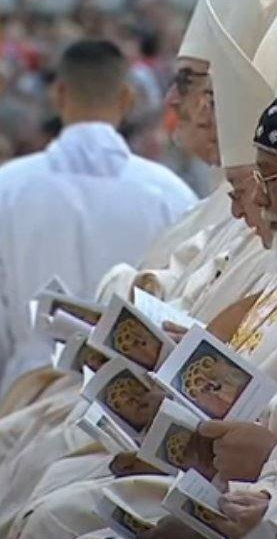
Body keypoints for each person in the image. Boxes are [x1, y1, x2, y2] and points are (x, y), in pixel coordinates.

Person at [0, 39, 196, 397]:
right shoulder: (170, 194)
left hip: (27, 395)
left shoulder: (8, 188)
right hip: (130, 402)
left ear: (58, 94)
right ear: (127, 98)